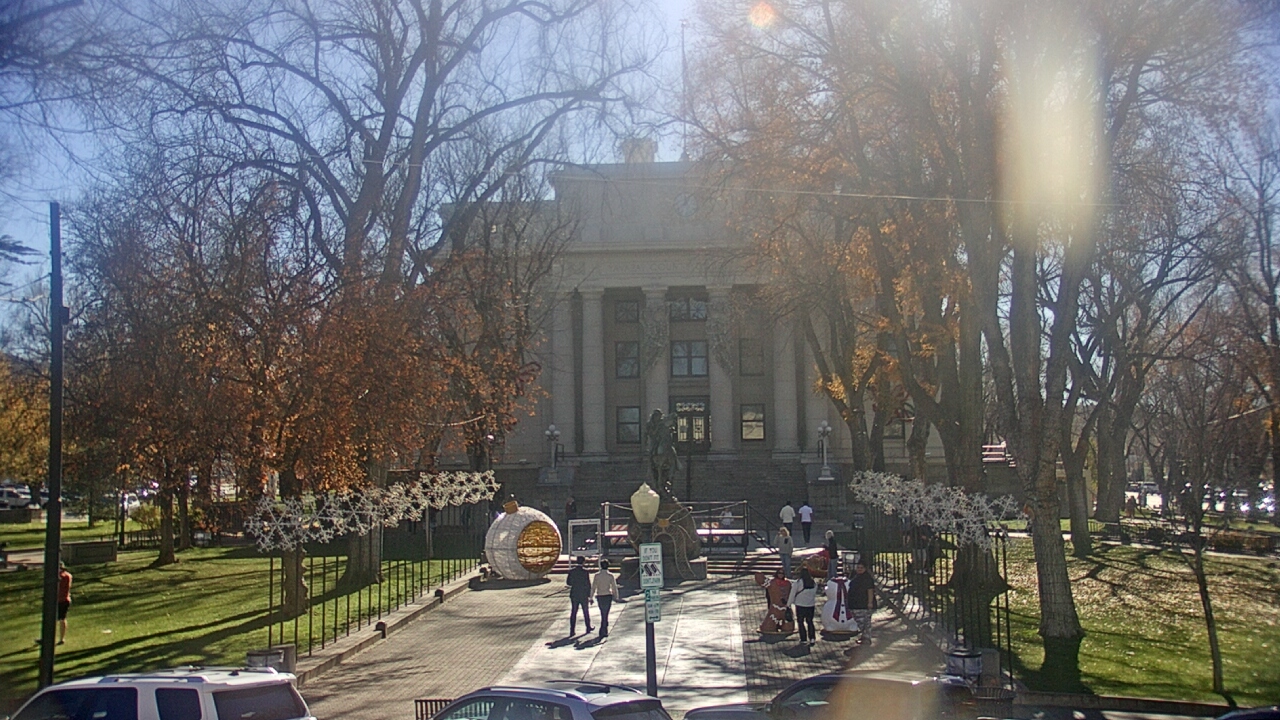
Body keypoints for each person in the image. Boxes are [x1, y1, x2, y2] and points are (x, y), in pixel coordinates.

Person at [753, 569, 795, 634]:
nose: (781, 574)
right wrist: (759, 576)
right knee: (768, 627)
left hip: (786, 610)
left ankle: (784, 625)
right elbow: (762, 581)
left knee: (788, 627)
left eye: (782, 573)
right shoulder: (771, 582)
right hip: (775, 609)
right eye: (779, 573)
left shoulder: (788, 583)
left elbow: (798, 586)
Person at [788, 567, 819, 646]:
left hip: (800, 604)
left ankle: (803, 638)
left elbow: (792, 594)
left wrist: (788, 604)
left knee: (800, 622)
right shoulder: (813, 583)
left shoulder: (798, 583)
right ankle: (812, 638)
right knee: (810, 622)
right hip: (810, 605)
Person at [592, 559, 621, 638]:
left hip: (600, 595)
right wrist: (616, 596)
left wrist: (591, 597)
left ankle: (603, 629)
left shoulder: (597, 575)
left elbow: (593, 587)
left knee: (602, 612)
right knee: (606, 613)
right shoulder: (610, 576)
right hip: (608, 595)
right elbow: (614, 587)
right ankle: (604, 629)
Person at [849, 559, 876, 645]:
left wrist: (870, 602)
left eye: (862, 568)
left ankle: (866, 638)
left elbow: (870, 590)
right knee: (864, 622)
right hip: (855, 603)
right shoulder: (856, 576)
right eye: (858, 567)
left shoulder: (867, 578)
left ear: (865, 568)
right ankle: (865, 637)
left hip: (863, 604)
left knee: (863, 622)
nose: (859, 569)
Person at [566, 556, 593, 635]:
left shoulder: (571, 571)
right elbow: (588, 584)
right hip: (583, 593)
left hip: (574, 593)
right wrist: (589, 595)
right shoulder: (585, 572)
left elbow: (568, 583)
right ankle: (588, 627)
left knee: (574, 612)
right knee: (585, 611)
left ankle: (572, 630)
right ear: (583, 562)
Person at [57, 562, 72, 644]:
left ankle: (47, 638)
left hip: (59, 600)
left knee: (51, 619)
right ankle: (62, 638)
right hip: (66, 599)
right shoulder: (68, 575)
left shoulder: (60, 577)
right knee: (62, 619)